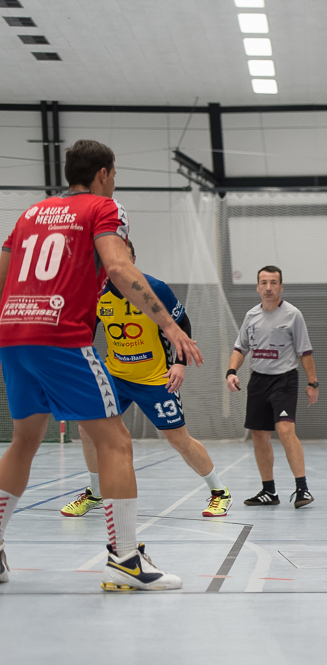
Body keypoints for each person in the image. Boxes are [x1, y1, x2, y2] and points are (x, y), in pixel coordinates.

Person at [0, 139, 202, 590]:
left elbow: (2, 277)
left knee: (24, 440)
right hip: (61, 338)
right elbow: (118, 268)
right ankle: (125, 559)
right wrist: (169, 325)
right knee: (116, 442)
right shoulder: (103, 208)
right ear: (104, 173)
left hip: (13, 336)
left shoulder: (30, 214)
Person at [59, 240, 231, 519]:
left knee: (178, 440)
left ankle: (219, 492)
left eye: (123, 257)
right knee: (87, 427)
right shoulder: (97, 292)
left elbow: (182, 324)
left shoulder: (154, 288)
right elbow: (87, 329)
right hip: (115, 377)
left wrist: (180, 364)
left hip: (155, 379)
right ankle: (95, 493)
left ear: (133, 259)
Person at [227, 266, 318, 509]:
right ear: (257, 287)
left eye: (273, 282)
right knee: (259, 435)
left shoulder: (293, 315)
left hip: (284, 380)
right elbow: (240, 348)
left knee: (286, 430)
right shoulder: (251, 316)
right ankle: (269, 491)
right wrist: (231, 371)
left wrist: (312, 383)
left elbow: (305, 352)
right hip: (258, 380)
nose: (268, 287)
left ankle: (302, 488)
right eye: (264, 282)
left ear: (281, 287)